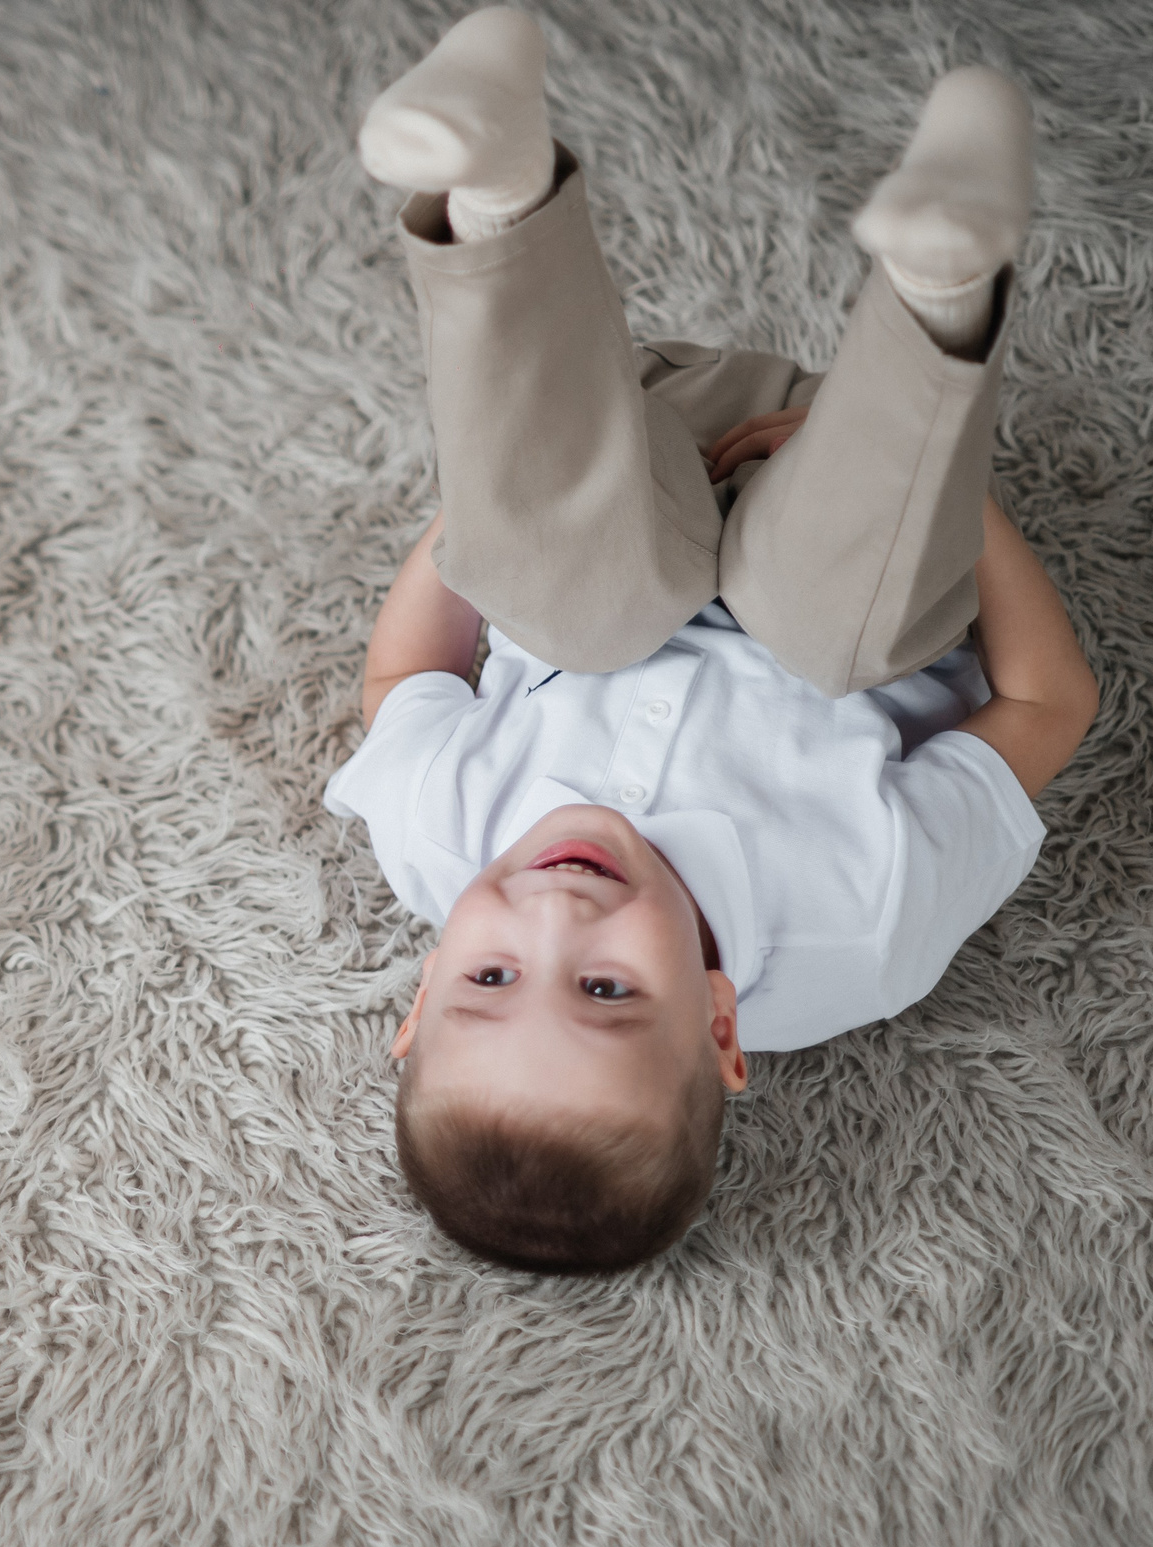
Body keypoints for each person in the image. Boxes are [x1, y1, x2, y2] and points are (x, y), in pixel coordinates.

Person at [326, 10, 1098, 1272]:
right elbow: (1048, 706)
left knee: (564, 603)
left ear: (418, 1000)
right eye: (609, 993)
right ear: (724, 1031)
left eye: (487, 979)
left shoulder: (435, 834)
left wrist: (485, 515)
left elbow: (405, 672)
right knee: (822, 640)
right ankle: (943, 278)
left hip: (631, 442)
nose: (555, 919)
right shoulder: (864, 921)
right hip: (857, 484)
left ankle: (497, 195)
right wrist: (972, 511)